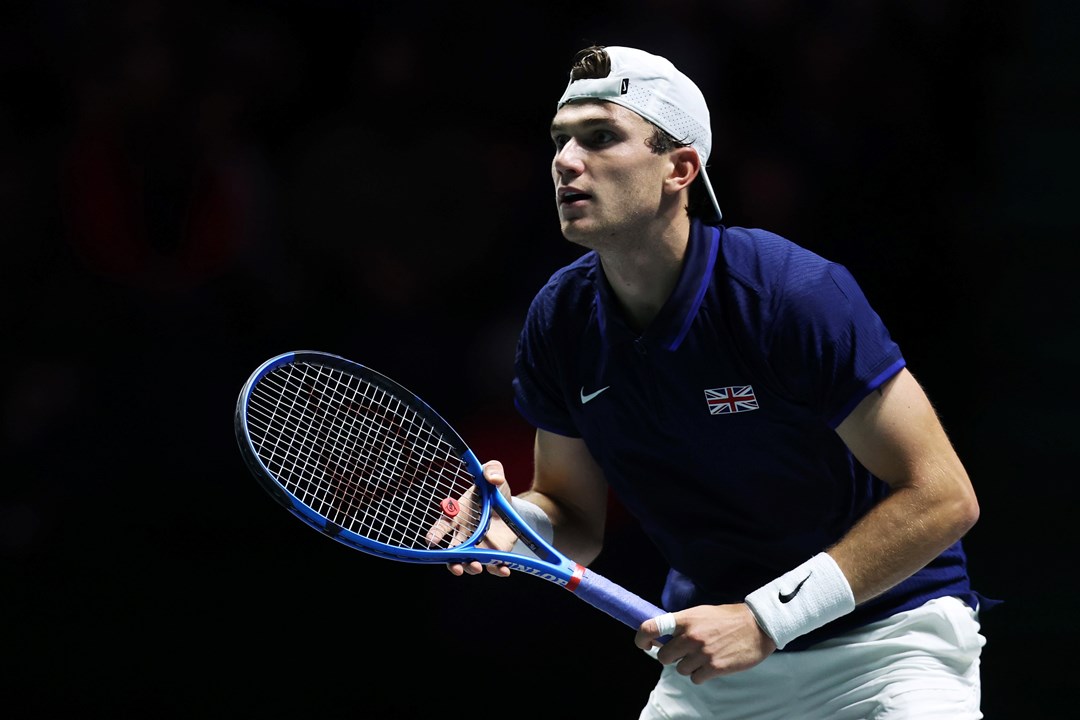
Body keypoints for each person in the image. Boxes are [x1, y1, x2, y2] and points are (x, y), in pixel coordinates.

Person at [437, 44, 996, 719]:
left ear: (680, 168)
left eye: (601, 137)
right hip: (715, 668)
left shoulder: (789, 295)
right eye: (560, 141)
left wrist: (764, 621)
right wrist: (515, 526)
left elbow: (943, 497)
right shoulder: (560, 322)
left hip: (890, 643)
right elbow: (572, 514)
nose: (565, 161)